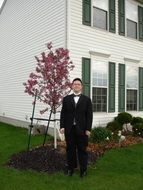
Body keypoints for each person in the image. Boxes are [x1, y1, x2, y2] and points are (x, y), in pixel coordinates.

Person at [60, 78, 93, 177]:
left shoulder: (87, 100)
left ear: (81, 87)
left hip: (82, 130)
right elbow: (63, 114)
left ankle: (83, 170)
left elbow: (89, 115)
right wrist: (62, 126)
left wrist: (88, 129)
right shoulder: (66, 99)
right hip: (69, 129)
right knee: (70, 149)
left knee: (82, 150)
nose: (76, 86)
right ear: (72, 86)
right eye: (75, 84)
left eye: (78, 84)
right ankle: (71, 168)